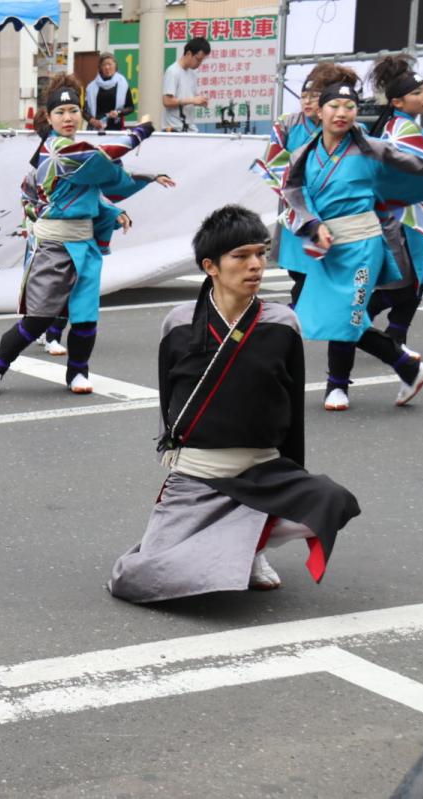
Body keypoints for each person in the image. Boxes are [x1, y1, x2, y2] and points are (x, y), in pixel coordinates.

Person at [108, 206, 360, 602]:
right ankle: (232, 547)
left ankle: (252, 547)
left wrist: (294, 474)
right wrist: (170, 451)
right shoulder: (178, 322)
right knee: (136, 578)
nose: (255, 265)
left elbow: (291, 407)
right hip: (197, 476)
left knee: (331, 502)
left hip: (262, 472)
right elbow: (169, 398)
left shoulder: (281, 322)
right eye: (241, 257)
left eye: (260, 254)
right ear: (211, 266)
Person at [0, 74, 173, 397]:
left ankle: (77, 372)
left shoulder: (77, 151)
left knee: (84, 317)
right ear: (49, 118)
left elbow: (92, 188)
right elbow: (102, 159)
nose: (68, 118)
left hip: (83, 244)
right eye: (60, 112)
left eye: (73, 111)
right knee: (38, 319)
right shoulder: (56, 150)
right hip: (54, 246)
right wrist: (142, 131)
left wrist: (114, 211)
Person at [281, 81, 423, 411]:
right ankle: (407, 365)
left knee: (347, 311)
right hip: (325, 244)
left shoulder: (373, 149)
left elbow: (418, 168)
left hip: (363, 243)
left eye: (349, 108)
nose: (342, 113)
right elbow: (293, 192)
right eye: (334, 106)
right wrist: (313, 224)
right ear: (320, 112)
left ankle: (337, 386)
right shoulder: (304, 152)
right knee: (324, 314)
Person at [252, 62, 354, 306]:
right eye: (304, 96)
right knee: (301, 272)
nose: (307, 102)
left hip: (332, 208)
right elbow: (274, 162)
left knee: (326, 275)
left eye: (315, 96)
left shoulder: (345, 127)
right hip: (298, 207)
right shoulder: (288, 123)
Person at [367, 55, 423, 356]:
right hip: (404, 216)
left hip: (405, 214)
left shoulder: (400, 125)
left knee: (410, 281)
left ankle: (393, 338)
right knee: (408, 282)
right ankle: (362, 326)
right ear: (398, 102)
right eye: (417, 93)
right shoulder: (402, 129)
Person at [162, 37, 210, 132]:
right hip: (174, 129)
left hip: (189, 128)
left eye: (202, 60)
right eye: (198, 59)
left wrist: (199, 101)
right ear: (188, 53)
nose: (199, 63)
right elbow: (167, 101)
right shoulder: (173, 71)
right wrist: (192, 100)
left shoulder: (192, 73)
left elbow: (187, 99)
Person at [85, 53, 134, 132]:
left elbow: (131, 107)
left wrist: (118, 112)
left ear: (115, 66)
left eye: (110, 64)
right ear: (100, 67)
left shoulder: (123, 84)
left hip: (115, 130)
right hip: (96, 130)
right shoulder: (91, 87)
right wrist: (92, 121)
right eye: (104, 65)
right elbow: (84, 111)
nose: (107, 67)